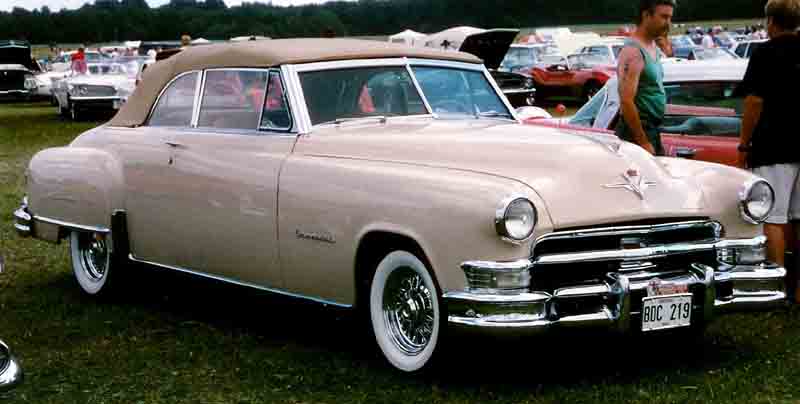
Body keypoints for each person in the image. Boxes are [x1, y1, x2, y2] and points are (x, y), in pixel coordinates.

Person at [736, 0, 800, 302]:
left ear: (771, 21)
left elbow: (754, 102)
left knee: (773, 218)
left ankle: (778, 286)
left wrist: (744, 142)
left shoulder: (764, 52)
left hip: (773, 144)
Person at [614, 0, 675, 155]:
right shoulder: (633, 51)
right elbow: (626, 101)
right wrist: (643, 142)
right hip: (636, 133)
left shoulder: (652, 46)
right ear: (646, 15)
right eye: (663, 17)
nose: (668, 23)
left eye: (670, 18)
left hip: (652, 129)